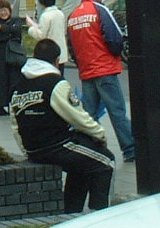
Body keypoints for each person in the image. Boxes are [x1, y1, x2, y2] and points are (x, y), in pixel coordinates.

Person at [9, 38, 115, 213]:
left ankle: (70, 214)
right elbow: (77, 116)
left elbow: (15, 124)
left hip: (34, 149)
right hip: (58, 146)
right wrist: (99, 134)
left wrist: (26, 151)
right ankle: (100, 215)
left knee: (81, 166)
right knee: (106, 161)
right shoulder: (56, 83)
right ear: (56, 60)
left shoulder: (18, 87)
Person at [66, 0, 136, 162]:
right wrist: (115, 54)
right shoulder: (99, 9)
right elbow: (115, 37)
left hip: (86, 71)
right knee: (117, 111)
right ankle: (130, 148)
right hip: (105, 68)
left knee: (89, 114)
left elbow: (71, 45)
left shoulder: (73, 15)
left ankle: (90, 146)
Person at [0, 0, 25, 116]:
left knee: (15, 81)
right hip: (0, 58)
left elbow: (17, 31)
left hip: (14, 57)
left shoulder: (16, 20)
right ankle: (3, 106)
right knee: (1, 82)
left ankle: (15, 104)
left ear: (9, 10)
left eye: (5, 10)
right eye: (1, 10)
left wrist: (2, 28)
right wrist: (9, 34)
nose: (3, 13)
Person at [26, 0, 68, 73]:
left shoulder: (45, 16)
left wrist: (31, 28)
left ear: (42, 2)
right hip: (61, 52)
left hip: (49, 52)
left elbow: (41, 35)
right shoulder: (60, 13)